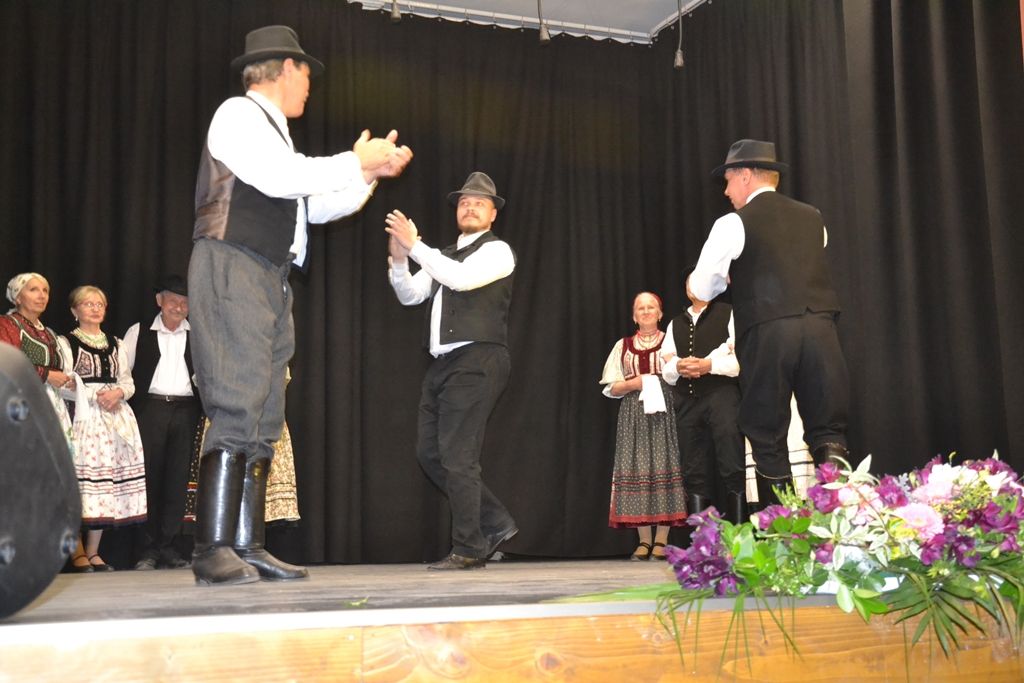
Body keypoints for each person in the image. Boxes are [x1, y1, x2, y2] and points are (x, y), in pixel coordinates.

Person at [188, 25, 412, 585]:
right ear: (286, 69)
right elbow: (281, 178)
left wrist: (367, 174)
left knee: (265, 411)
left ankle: (248, 544)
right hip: (233, 263)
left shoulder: (277, 136)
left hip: (270, 273)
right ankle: (212, 547)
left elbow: (309, 208)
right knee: (237, 399)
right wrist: (353, 159)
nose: (310, 86)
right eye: (307, 74)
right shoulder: (238, 114)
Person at [688, 139, 850, 507]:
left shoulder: (733, 223)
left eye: (728, 181)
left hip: (768, 330)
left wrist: (717, 280)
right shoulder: (814, 217)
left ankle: (784, 528)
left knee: (766, 432)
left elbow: (703, 287)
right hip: (820, 328)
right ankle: (838, 523)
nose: (726, 191)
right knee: (828, 430)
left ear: (745, 175)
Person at [385, 172, 518, 571]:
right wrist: (399, 259)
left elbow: (460, 280)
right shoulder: (443, 255)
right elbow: (411, 295)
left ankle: (469, 547)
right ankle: (494, 522)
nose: (470, 207)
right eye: (464, 202)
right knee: (430, 453)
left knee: (459, 456)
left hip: (479, 359)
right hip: (444, 364)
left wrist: (416, 246)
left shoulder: (498, 251)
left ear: (493, 214)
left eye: (479, 203)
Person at [63, 285, 147, 572]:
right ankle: (76, 551)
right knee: (82, 483)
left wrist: (118, 393)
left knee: (106, 485)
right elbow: (63, 383)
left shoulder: (117, 344)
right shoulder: (66, 343)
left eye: (99, 304)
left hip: (115, 419)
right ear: (75, 310)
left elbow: (128, 382)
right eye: (88, 304)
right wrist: (93, 395)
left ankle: (93, 551)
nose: (95, 308)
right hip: (84, 418)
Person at [599, 292, 688, 560]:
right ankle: (644, 540)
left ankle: (662, 539)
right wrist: (634, 383)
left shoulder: (671, 341)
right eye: (641, 308)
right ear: (634, 316)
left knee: (664, 465)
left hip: (665, 411)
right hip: (634, 414)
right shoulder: (623, 346)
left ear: (660, 314)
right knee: (638, 469)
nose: (646, 311)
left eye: (651, 307)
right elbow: (611, 387)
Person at [0, 274, 80, 566]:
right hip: (21, 405)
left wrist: (67, 382)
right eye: (33, 289)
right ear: (17, 295)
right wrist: (46, 374)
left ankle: (40, 552)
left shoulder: (49, 333)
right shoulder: (7, 325)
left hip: (51, 407)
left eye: (45, 290)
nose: (41, 295)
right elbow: (6, 361)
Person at [123, 274, 201, 570]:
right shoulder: (139, 331)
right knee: (149, 478)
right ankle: (147, 549)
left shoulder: (197, 334)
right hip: (150, 410)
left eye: (185, 302)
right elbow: (123, 371)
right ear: (159, 301)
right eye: (173, 300)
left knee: (178, 480)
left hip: (186, 410)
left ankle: (168, 545)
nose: (179, 307)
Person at [661, 278, 744, 523]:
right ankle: (701, 537)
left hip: (722, 395)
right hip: (687, 400)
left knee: (732, 460)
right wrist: (679, 367)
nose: (694, 286)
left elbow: (741, 360)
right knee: (692, 468)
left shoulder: (729, 313)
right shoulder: (675, 323)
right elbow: (666, 370)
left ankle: (740, 532)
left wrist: (709, 365)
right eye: (690, 282)